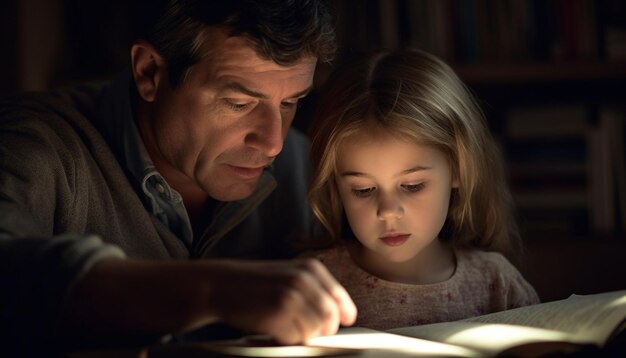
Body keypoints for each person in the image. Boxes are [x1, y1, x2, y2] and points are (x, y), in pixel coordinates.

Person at [0, 0, 356, 354]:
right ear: (149, 73)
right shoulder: (34, 145)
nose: (273, 143)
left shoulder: (303, 164)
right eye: (238, 103)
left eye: (290, 103)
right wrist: (213, 290)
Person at [305, 48, 540, 330]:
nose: (389, 212)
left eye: (413, 186)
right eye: (364, 190)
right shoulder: (315, 285)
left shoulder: (496, 283)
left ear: (457, 169)